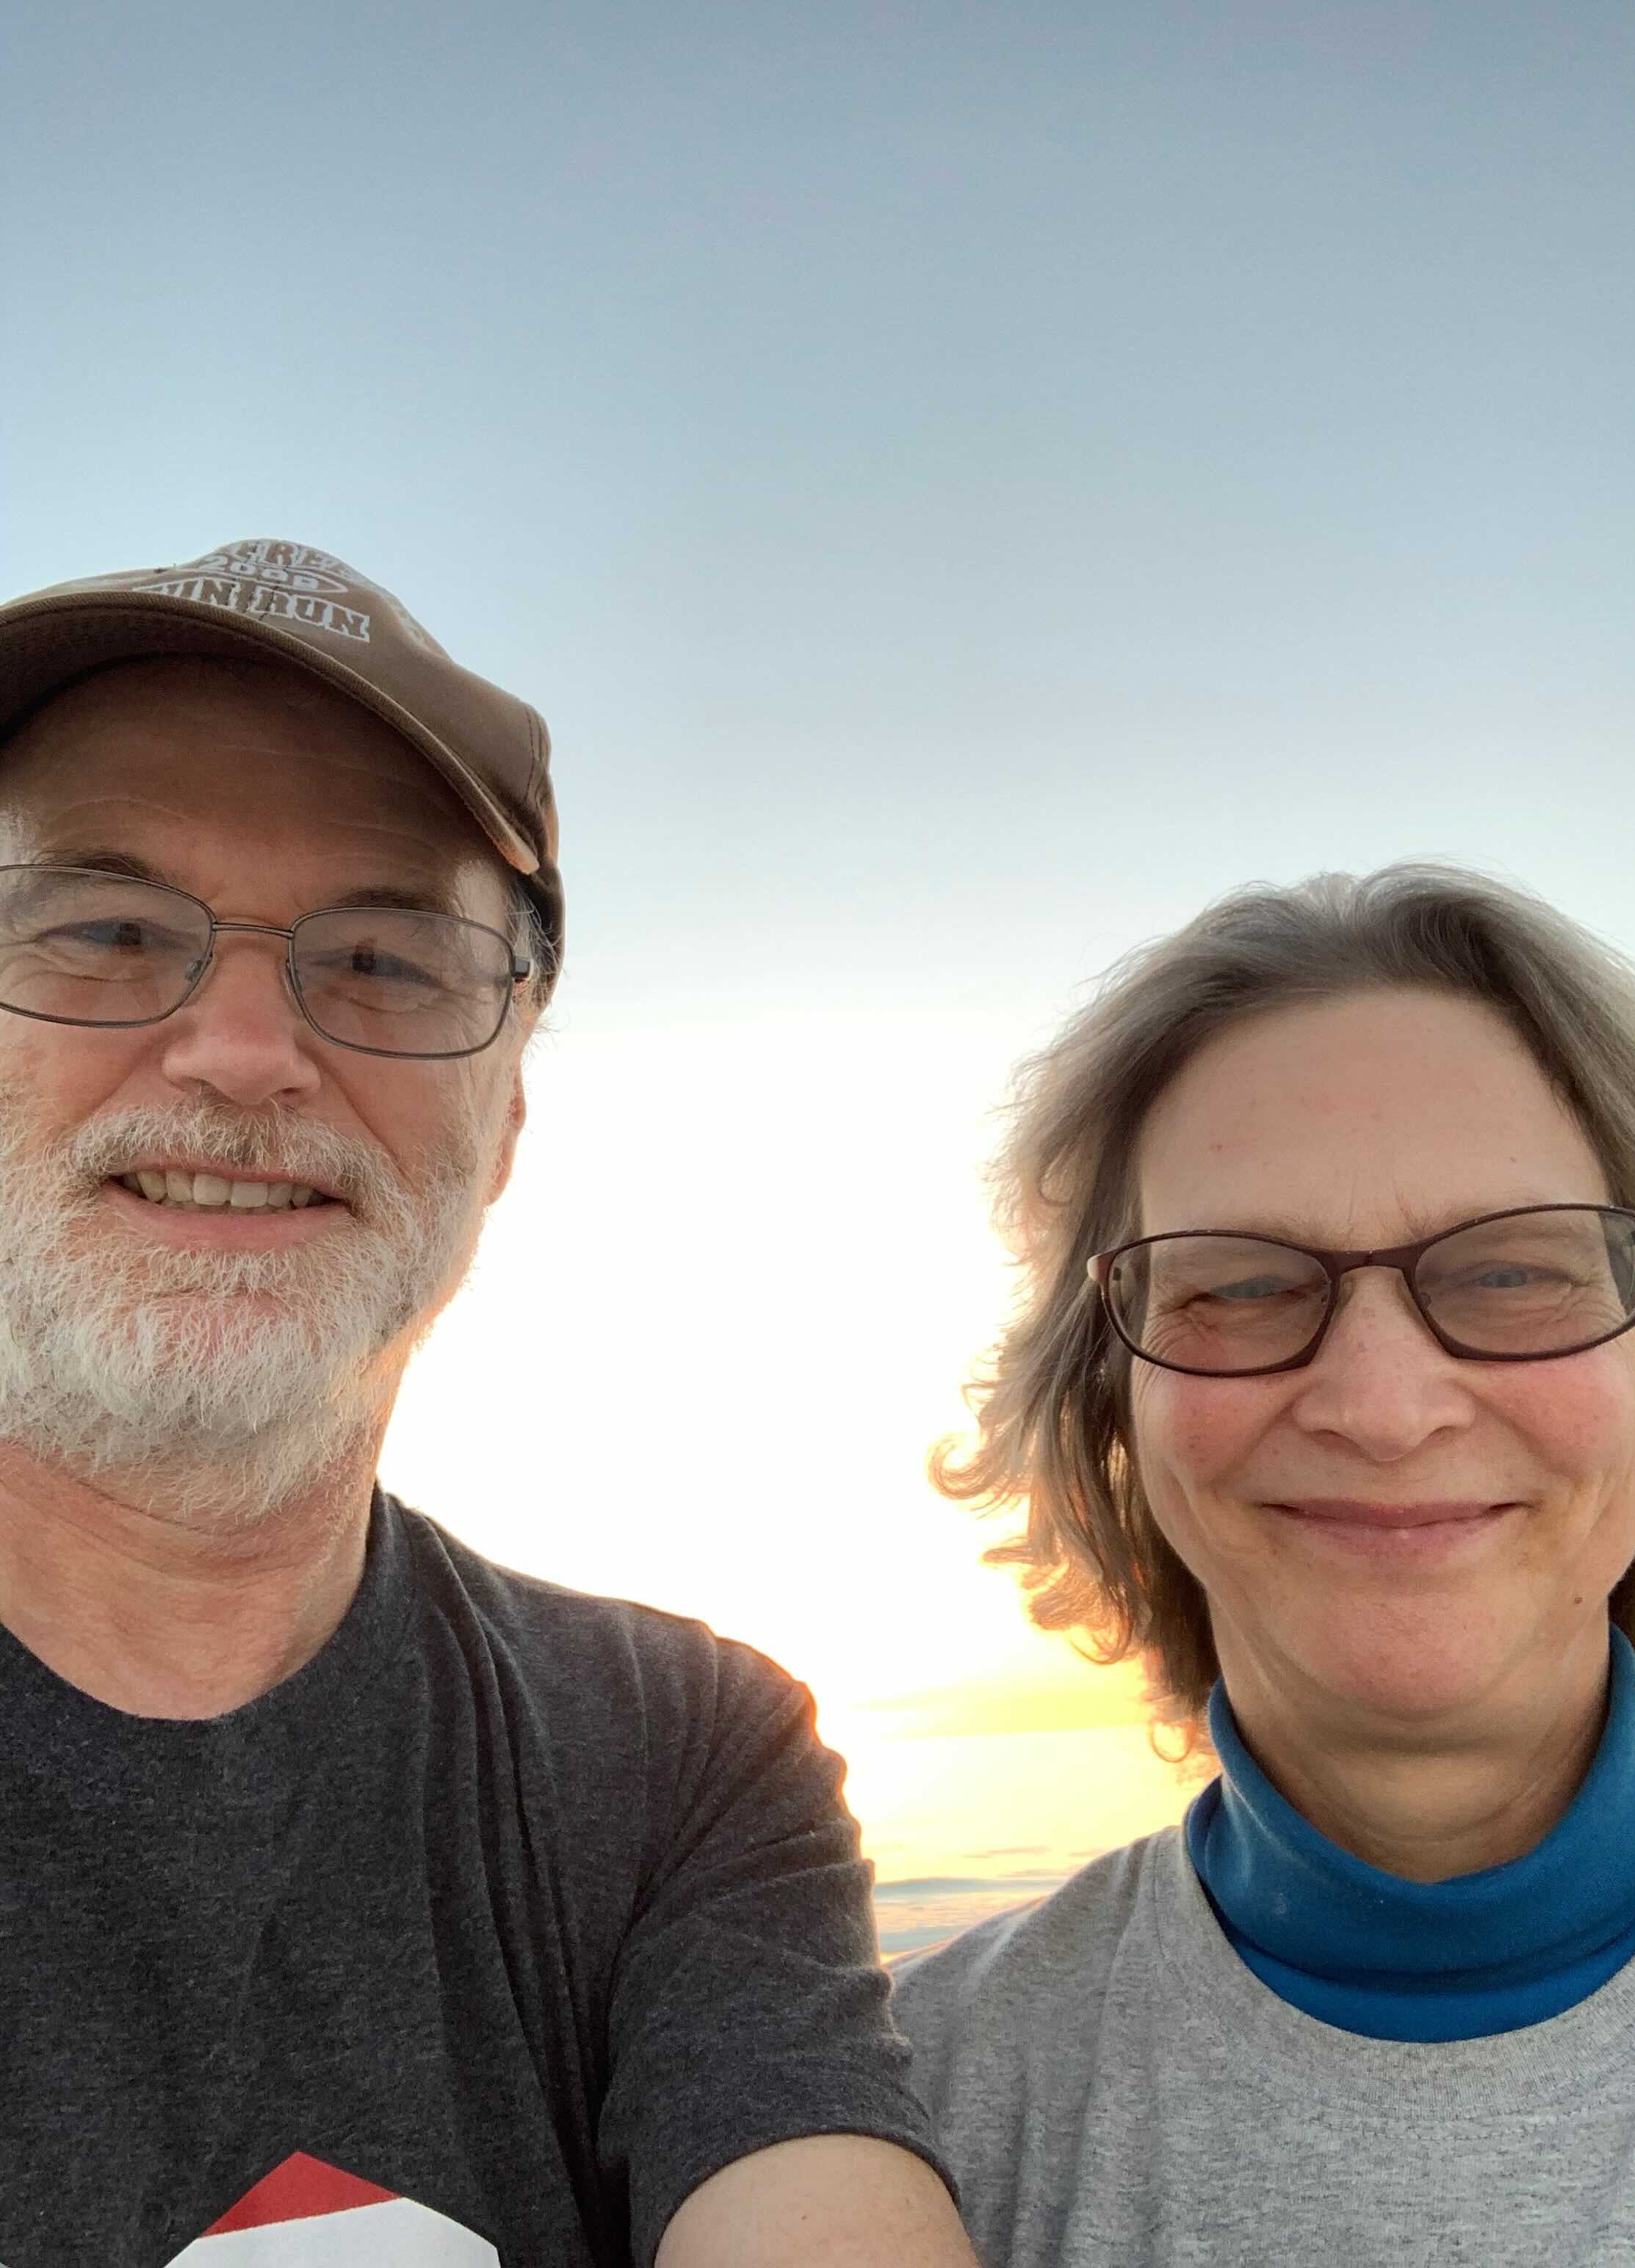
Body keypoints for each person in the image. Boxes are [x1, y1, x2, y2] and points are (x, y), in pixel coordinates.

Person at [0, 541, 976, 2268]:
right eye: (105, 929)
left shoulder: (685, 1753)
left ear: (506, 1120)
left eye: (381, 960)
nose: (241, 1048)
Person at [890, 863, 1635, 2268]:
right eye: (1238, 1285)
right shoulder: (909, 2124)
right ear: (1107, 1412)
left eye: (1514, 1270)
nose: (1385, 1410)